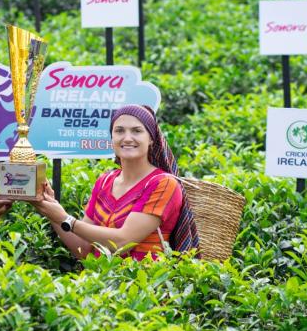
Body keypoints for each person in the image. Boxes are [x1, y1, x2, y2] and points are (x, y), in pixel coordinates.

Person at [30, 105, 199, 260]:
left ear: (151, 139)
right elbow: (83, 250)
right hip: (99, 285)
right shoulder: (104, 181)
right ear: (112, 137)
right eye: (119, 131)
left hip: (143, 287)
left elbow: (123, 242)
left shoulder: (164, 184)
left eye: (137, 131)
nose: (127, 138)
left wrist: (65, 218)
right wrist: (50, 211)